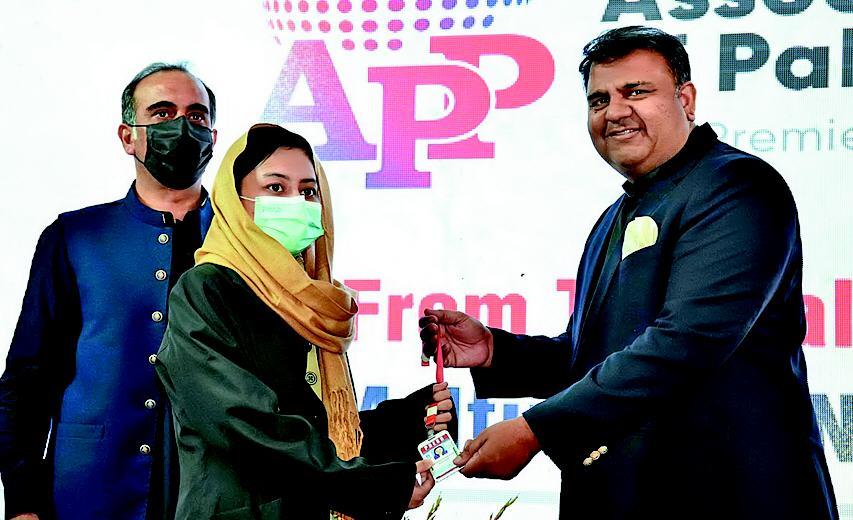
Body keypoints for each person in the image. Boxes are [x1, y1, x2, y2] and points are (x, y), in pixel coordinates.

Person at [419, 26, 839, 519]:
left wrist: (537, 430)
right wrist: (496, 351)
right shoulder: (614, 217)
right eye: (599, 100)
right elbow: (594, 355)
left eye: (635, 91)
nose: (615, 111)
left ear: (686, 100)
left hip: (731, 498)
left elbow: (685, 342)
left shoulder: (737, 187)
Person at [155, 124, 455, 519]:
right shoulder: (206, 290)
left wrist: (409, 420)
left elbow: (321, 426)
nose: (296, 202)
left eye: (309, 191)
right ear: (234, 202)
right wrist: (372, 487)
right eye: (275, 188)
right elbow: (244, 424)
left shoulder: (316, 300)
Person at [0, 62, 218, 520]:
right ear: (127, 136)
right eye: (162, 113)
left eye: (196, 116)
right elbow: (28, 377)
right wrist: (21, 501)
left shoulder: (243, 246)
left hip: (215, 494)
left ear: (213, 138)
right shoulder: (76, 237)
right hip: (91, 491)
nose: (182, 127)